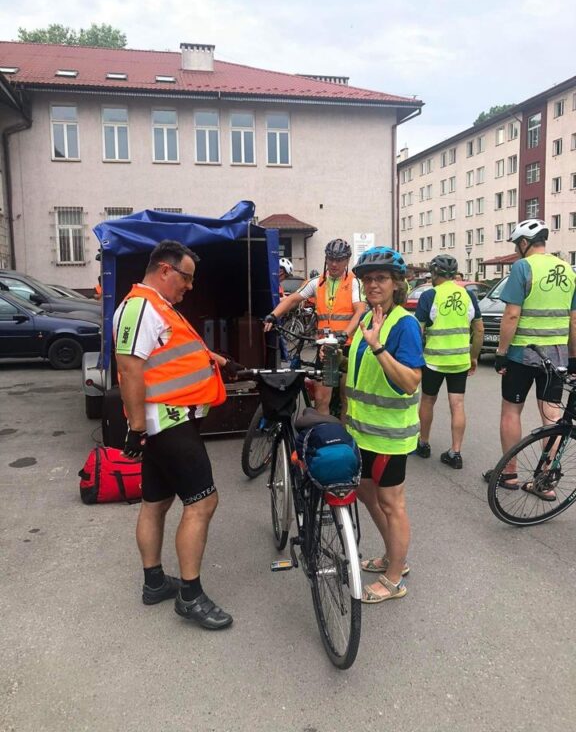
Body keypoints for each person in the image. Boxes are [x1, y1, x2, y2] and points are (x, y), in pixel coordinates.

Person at [113, 240, 242, 630]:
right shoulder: (140, 307)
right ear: (165, 270)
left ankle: (154, 583)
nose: (189, 287)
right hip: (165, 422)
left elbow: (175, 352)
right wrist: (136, 430)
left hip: (166, 420)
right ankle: (190, 596)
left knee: (156, 501)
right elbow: (130, 369)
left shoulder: (160, 307)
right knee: (202, 503)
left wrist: (220, 362)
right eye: (186, 278)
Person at [345, 246, 424, 603]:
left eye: (381, 278)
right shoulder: (371, 317)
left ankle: (395, 579)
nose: (372, 284)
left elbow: (410, 381)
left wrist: (378, 348)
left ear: (396, 283)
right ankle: (394, 555)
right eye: (367, 279)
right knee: (364, 491)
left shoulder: (403, 324)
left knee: (392, 503)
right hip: (363, 430)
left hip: (390, 435)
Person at [482, 220, 576, 494]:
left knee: (511, 410)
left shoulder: (523, 267)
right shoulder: (567, 271)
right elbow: (573, 320)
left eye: (516, 244)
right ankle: (546, 481)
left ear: (524, 243)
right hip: (556, 354)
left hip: (523, 353)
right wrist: (573, 357)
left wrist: (500, 353)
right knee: (552, 416)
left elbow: (511, 314)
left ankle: (509, 474)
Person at [264, 239, 366, 414]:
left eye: (339, 259)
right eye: (330, 258)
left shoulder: (354, 283)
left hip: (346, 347)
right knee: (321, 399)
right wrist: (274, 315)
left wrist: (345, 334)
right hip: (324, 348)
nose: (334, 264)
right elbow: (292, 299)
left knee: (346, 398)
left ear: (347, 260)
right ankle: (324, 435)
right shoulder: (317, 282)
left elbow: (359, 312)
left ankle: (344, 438)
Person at [414, 254, 484, 468]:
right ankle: (455, 453)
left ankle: (423, 444)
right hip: (460, 361)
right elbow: (479, 329)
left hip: (433, 360)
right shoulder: (468, 296)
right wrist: (473, 356)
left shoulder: (429, 296)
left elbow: (418, 330)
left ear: (434, 273)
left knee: (427, 400)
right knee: (458, 404)